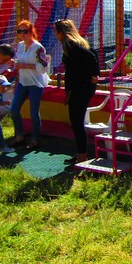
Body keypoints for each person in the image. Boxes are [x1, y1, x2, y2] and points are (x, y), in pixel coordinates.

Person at [54, 19, 100, 162]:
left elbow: (91, 56)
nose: (55, 35)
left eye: (56, 32)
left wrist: (94, 74)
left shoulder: (71, 45)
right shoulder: (77, 43)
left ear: (61, 32)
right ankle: (81, 153)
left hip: (80, 88)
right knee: (76, 121)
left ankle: (82, 155)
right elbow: (92, 53)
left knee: (77, 121)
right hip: (81, 87)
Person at [10, 20, 50, 149]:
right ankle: (19, 136)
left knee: (33, 112)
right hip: (23, 81)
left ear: (31, 32)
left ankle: (35, 139)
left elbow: (43, 67)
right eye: (20, 31)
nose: (22, 34)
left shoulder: (38, 48)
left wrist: (26, 66)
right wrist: (15, 64)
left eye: (25, 31)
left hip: (35, 83)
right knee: (14, 109)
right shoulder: (20, 45)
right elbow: (19, 60)